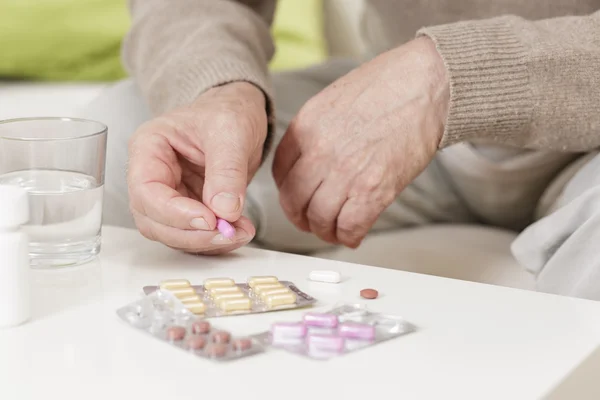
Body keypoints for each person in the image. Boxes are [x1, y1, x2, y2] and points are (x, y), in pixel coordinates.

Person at [80, 0, 600, 299]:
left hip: (585, 140)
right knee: (113, 143)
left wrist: (444, 78)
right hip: (396, 123)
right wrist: (217, 89)